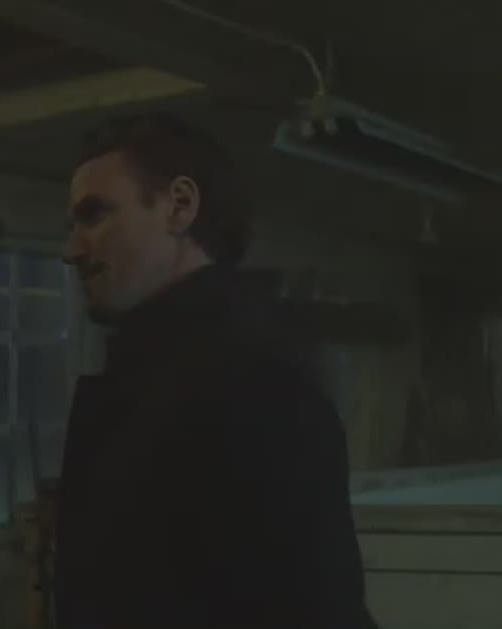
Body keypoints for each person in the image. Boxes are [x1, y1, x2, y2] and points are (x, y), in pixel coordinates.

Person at [54, 114, 377, 628]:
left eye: (95, 215)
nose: (72, 250)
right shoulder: (155, 374)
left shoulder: (258, 388)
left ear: (180, 206)